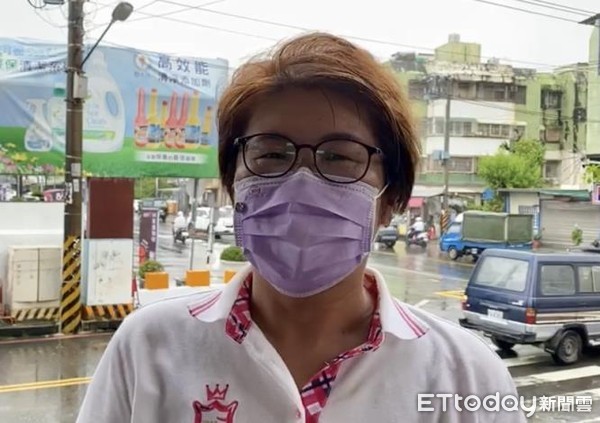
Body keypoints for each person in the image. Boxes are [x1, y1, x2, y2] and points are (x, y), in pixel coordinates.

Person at [77, 32, 526, 422]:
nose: (300, 182)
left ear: (389, 200)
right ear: (234, 184)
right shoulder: (148, 348)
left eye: (339, 157)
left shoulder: (466, 375)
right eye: (271, 154)